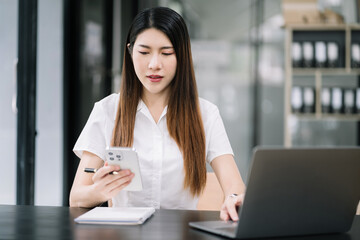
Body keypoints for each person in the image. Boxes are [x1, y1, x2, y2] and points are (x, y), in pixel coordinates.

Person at [69, 6, 246, 221]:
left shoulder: (205, 114)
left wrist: (235, 197)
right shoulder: (107, 110)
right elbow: (76, 197)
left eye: (166, 53)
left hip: (182, 233)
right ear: (130, 52)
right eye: (144, 52)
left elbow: (234, 186)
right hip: (124, 233)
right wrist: (100, 191)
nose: (154, 65)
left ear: (182, 55)